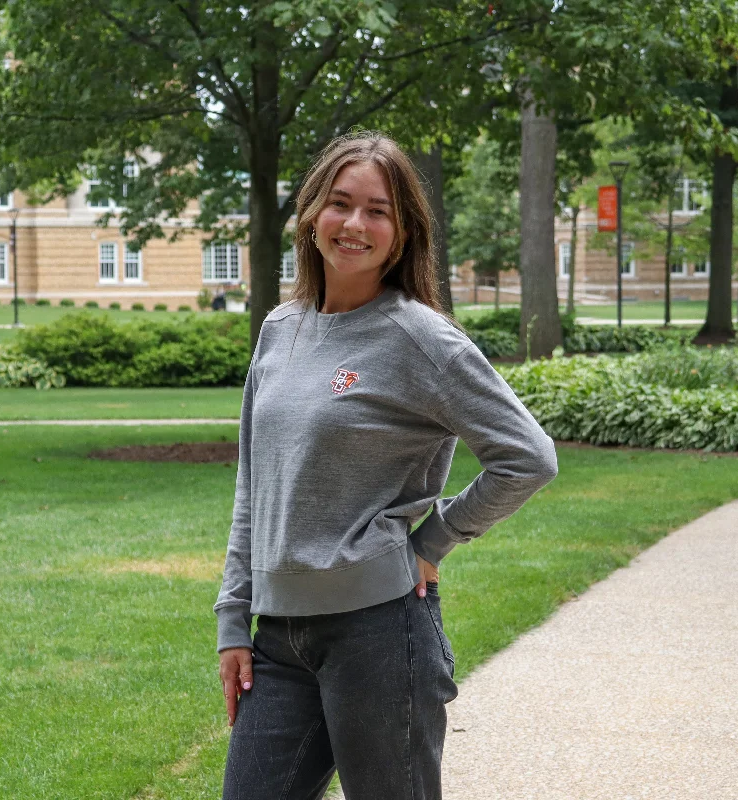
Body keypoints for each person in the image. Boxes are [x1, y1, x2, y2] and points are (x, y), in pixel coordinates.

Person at [214, 131, 558, 800]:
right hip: (279, 642)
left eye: (378, 211)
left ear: (402, 234)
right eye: (340, 203)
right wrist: (235, 616)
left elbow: (527, 457)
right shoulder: (281, 329)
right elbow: (253, 482)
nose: (354, 224)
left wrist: (434, 541)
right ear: (312, 212)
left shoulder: (419, 337)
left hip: (379, 634)